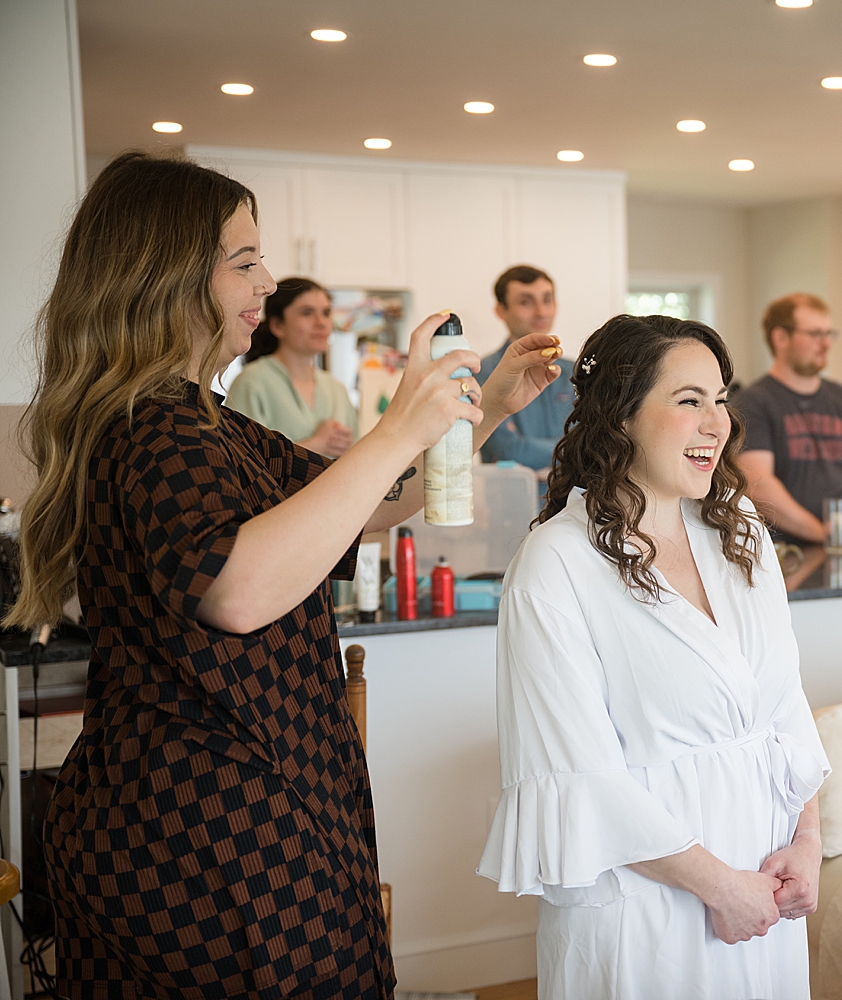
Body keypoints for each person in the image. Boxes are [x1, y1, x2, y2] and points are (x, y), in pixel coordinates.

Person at [3, 152, 561, 997]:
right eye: (243, 261)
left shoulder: (212, 424)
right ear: (167, 277)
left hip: (256, 812)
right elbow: (237, 589)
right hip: (195, 843)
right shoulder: (152, 431)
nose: (266, 279)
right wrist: (396, 427)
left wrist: (489, 408)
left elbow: (367, 503)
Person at [479, 314, 830, 999]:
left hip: (765, 886)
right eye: (689, 400)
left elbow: (784, 707)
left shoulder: (740, 531)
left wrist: (808, 840)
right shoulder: (557, 565)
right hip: (645, 911)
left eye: (721, 400)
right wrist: (721, 887)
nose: (716, 423)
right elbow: (579, 776)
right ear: (622, 415)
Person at [736, 293, 842, 543]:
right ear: (780, 338)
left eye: (829, 334)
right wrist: (821, 534)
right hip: (783, 553)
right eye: (815, 334)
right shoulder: (752, 402)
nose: (826, 343)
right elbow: (757, 483)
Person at [224, 275, 360, 456]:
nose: (321, 323)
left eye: (326, 313)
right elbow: (240, 461)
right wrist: (316, 444)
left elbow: (358, 457)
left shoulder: (337, 390)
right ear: (277, 325)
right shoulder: (251, 382)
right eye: (307, 312)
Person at [477, 264, 577, 467]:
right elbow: (507, 449)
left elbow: (596, 443)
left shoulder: (575, 373)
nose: (540, 312)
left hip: (572, 498)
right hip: (508, 497)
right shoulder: (483, 372)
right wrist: (573, 455)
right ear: (501, 311)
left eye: (547, 300)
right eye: (526, 302)